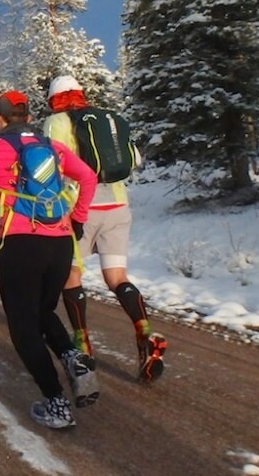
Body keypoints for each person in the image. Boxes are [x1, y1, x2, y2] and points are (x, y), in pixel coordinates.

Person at [0, 90, 98, 429]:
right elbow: (88, 177)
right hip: (61, 242)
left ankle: (57, 404)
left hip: (21, 244)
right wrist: (78, 219)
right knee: (42, 311)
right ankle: (72, 358)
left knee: (23, 328)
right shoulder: (53, 147)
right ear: (28, 117)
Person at [43, 75, 167, 382]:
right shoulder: (106, 120)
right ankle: (145, 331)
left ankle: (82, 339)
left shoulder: (57, 122)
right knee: (117, 278)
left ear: (53, 98)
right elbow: (134, 158)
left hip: (79, 210)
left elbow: (50, 164)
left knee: (71, 275)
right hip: (118, 206)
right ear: (80, 95)